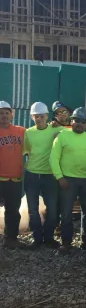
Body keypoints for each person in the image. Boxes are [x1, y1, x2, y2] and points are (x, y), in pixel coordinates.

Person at [50, 107, 86, 252]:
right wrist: (60, 177)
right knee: (66, 212)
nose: (80, 124)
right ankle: (66, 242)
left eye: (83, 122)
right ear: (71, 121)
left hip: (85, 180)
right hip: (67, 180)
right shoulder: (62, 136)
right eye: (77, 120)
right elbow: (53, 158)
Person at [23, 102, 63, 249]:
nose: (39, 118)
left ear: (47, 116)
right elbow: (25, 151)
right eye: (36, 116)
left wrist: (58, 124)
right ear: (32, 117)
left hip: (49, 176)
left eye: (41, 116)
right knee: (33, 210)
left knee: (52, 210)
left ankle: (48, 238)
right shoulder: (28, 133)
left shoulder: (57, 129)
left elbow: (73, 131)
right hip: (32, 175)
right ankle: (37, 239)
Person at [0, 101, 26, 249]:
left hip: (15, 178)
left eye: (6, 112)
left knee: (13, 211)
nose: (3, 115)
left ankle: (11, 238)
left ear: (11, 114)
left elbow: (38, 133)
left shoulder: (21, 131)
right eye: (1, 113)